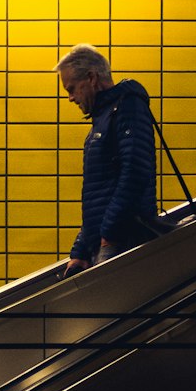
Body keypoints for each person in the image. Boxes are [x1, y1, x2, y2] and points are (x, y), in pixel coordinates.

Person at [55, 44, 158, 277]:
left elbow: (136, 170)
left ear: (91, 78)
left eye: (72, 89)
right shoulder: (102, 119)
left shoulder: (128, 106)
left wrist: (109, 234)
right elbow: (97, 194)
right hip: (104, 243)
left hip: (122, 242)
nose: (70, 98)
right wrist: (81, 249)